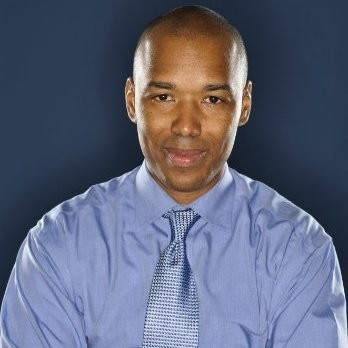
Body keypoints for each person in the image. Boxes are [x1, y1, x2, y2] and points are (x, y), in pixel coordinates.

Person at [0, 5, 346, 348]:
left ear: (244, 105)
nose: (186, 126)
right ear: (133, 100)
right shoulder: (57, 247)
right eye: (163, 97)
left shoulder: (297, 250)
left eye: (212, 99)